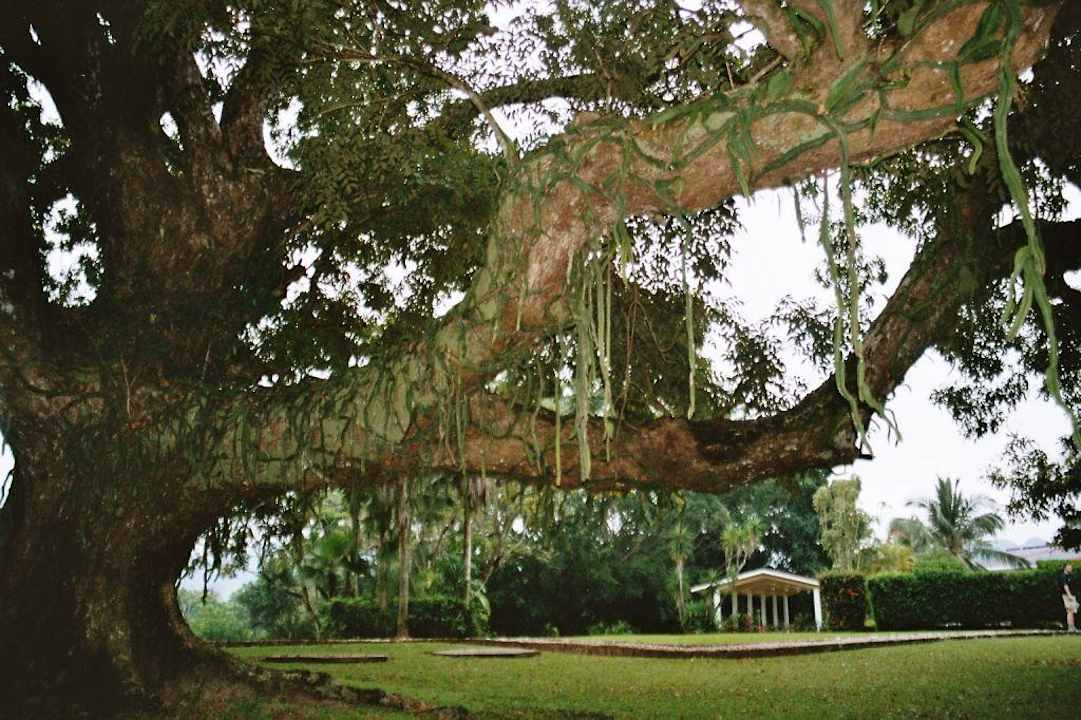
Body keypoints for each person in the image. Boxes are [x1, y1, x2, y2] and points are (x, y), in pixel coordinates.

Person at [1060, 563, 1078, 632]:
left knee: (1072, 611)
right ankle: (1070, 628)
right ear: (1065, 568)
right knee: (1069, 611)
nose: (1071, 568)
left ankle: (1073, 627)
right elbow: (1065, 586)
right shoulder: (1063, 576)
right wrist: (1069, 595)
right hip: (1067, 595)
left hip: (1072, 595)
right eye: (1069, 567)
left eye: (1071, 567)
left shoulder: (1069, 576)